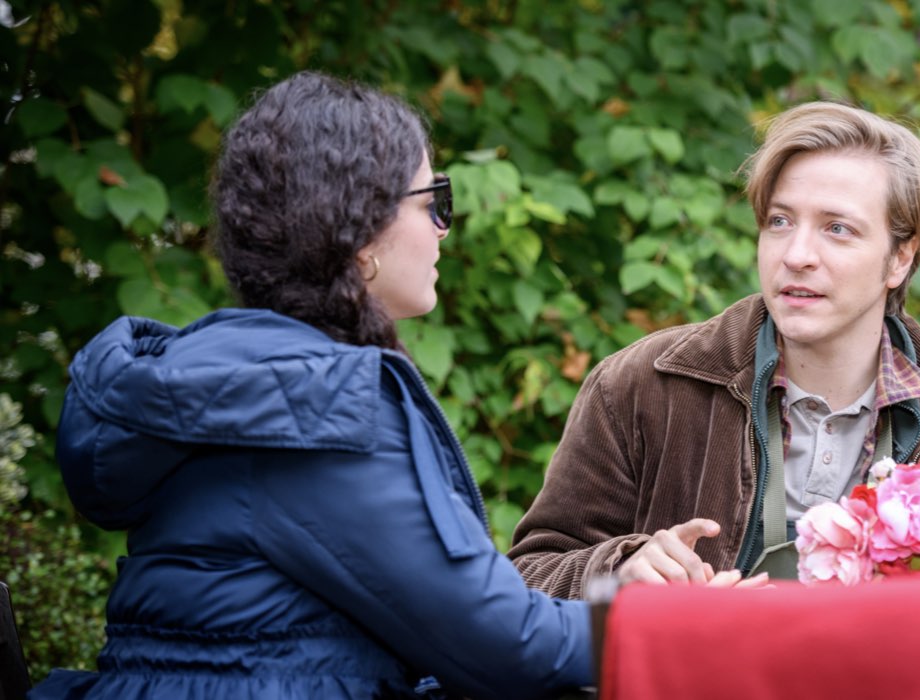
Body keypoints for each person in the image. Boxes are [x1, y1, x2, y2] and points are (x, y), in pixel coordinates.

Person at [30, 71, 592, 700]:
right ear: (359, 228)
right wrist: (668, 621)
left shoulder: (231, 379)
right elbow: (504, 646)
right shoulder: (313, 402)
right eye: (433, 199)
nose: (442, 228)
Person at [509, 101, 920, 599]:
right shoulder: (641, 386)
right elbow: (525, 576)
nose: (796, 254)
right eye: (780, 221)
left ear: (900, 257)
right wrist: (621, 569)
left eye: (837, 228)